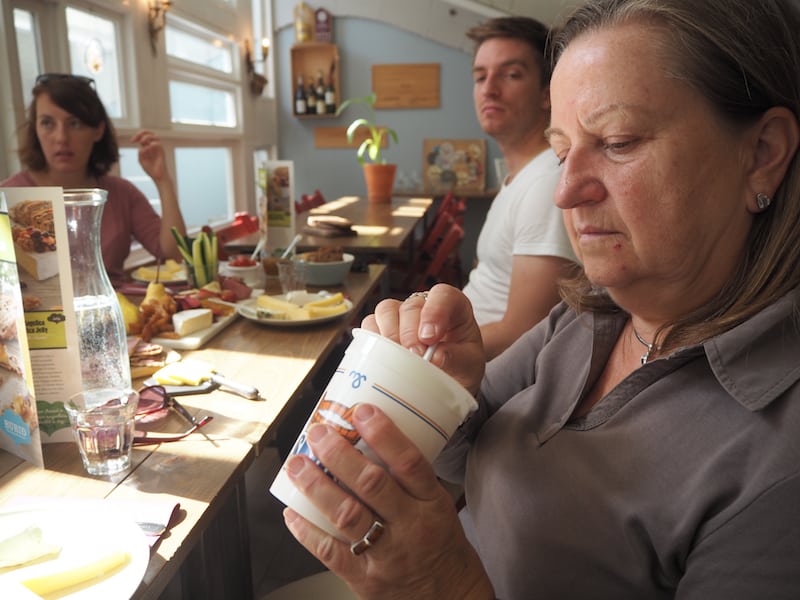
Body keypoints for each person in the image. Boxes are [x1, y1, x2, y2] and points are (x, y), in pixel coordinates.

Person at [278, 0, 800, 597]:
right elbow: (459, 458)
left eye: (619, 141)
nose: (566, 192)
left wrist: (441, 584)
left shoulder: (779, 459)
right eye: (560, 151)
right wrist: (440, 386)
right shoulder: (585, 319)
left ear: (762, 154)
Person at [461, 17, 577, 361]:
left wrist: (423, 352)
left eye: (510, 74)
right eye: (480, 77)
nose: (489, 88)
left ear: (547, 94)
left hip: (481, 377)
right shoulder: (522, 176)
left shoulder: (547, 183)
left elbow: (525, 332)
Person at [1, 73, 187, 286]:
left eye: (75, 123)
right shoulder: (8, 197)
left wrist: (163, 181)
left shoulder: (121, 193)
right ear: (35, 129)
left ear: (98, 130)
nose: (61, 138)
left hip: (117, 312)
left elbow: (175, 255)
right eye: (47, 123)